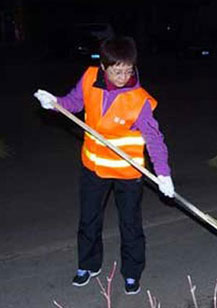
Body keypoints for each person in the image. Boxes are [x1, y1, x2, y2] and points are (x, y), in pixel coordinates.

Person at [33, 36, 175, 295]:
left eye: (128, 70)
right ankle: (88, 265)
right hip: (93, 167)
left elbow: (155, 139)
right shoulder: (89, 78)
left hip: (127, 173)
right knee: (89, 220)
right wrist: (55, 103)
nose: (123, 77)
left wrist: (163, 174)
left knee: (130, 225)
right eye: (117, 71)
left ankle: (132, 273)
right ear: (104, 67)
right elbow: (74, 103)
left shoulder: (139, 100)